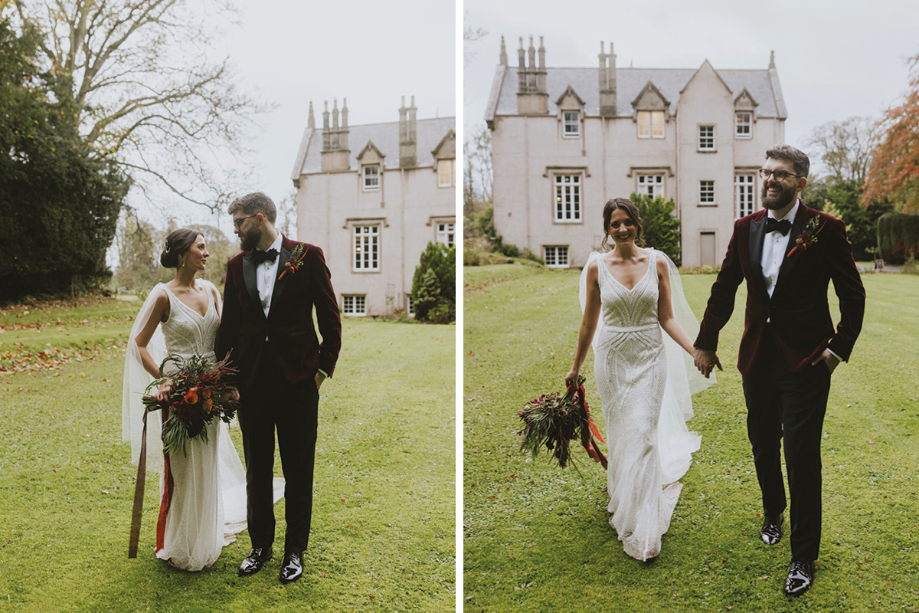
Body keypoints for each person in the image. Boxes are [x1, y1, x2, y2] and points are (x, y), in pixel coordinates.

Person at [693, 145, 865, 597]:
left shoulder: (825, 229)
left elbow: (854, 294)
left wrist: (837, 349)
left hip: (807, 361)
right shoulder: (745, 228)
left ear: (801, 182)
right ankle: (773, 510)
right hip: (757, 359)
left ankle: (803, 555)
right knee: (763, 443)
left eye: (781, 175)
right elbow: (725, 287)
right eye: (765, 173)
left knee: (802, 456)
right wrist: (706, 342)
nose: (769, 180)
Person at [565, 198, 713, 562]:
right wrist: (575, 366)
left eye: (627, 222)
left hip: (650, 357)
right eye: (614, 224)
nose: (621, 229)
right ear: (607, 229)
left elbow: (667, 318)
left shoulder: (657, 261)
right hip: (613, 360)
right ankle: (625, 499)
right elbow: (589, 323)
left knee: (645, 433)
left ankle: (645, 527)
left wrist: (695, 350)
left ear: (637, 224)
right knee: (623, 434)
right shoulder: (597, 267)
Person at [216, 192, 341, 584]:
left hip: (298, 385)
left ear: (258, 219)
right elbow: (229, 330)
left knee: (299, 470)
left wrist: (319, 372)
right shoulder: (237, 266)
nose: (235, 229)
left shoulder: (308, 256)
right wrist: (227, 382)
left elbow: (330, 320)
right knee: (258, 471)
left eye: (238, 222)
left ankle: (294, 552)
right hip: (253, 386)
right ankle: (260, 547)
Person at [123, 228, 248, 571]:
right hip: (180, 393)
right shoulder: (164, 295)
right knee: (183, 467)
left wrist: (228, 381)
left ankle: (205, 536)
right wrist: (163, 379)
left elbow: (224, 338)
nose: (206, 253)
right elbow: (139, 344)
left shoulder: (211, 290)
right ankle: (181, 543)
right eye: (201, 247)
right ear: (182, 254)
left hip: (211, 392)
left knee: (205, 463)